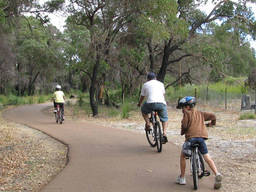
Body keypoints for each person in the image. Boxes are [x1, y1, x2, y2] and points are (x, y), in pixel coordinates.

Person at [176, 96, 222, 189]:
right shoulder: (201, 114)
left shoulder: (186, 114)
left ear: (188, 107)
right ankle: (217, 173)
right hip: (201, 138)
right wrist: (211, 124)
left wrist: (182, 131)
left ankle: (182, 177)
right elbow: (213, 116)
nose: (182, 109)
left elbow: (184, 126)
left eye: (183, 107)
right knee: (207, 156)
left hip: (191, 138)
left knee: (183, 156)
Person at [137, 72, 168, 144]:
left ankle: (148, 123)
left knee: (143, 110)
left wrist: (139, 104)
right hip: (161, 103)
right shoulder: (161, 84)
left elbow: (142, 96)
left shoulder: (145, 84)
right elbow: (163, 94)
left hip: (150, 103)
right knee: (164, 118)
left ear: (148, 79)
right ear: (155, 78)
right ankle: (164, 133)